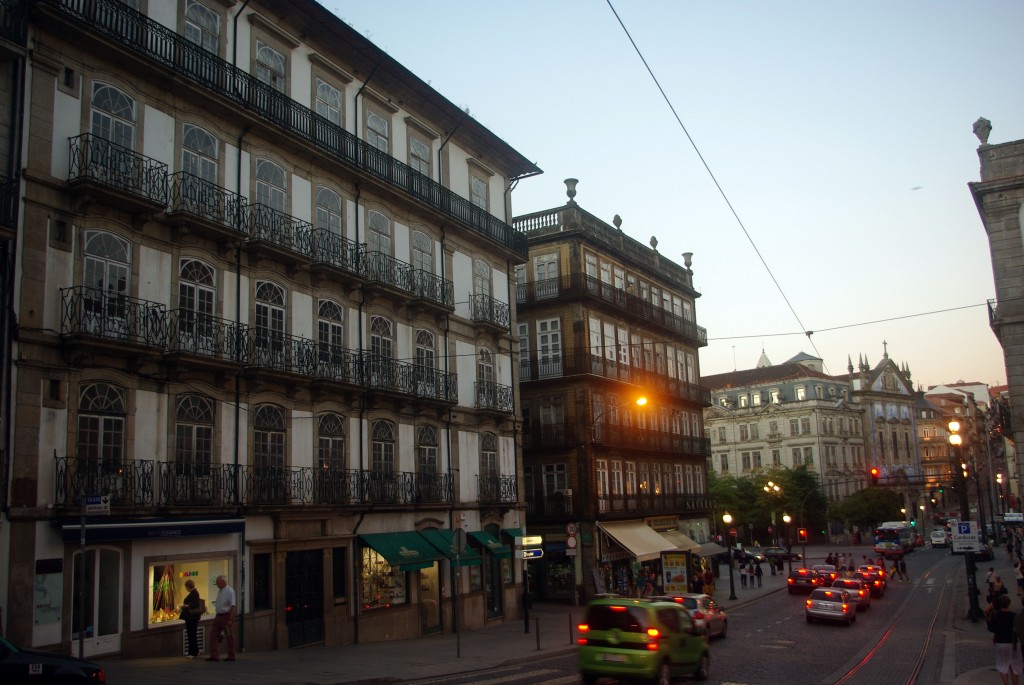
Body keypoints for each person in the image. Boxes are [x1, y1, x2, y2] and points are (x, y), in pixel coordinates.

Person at [988, 594, 1022, 685]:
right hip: (1013, 643)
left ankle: (1006, 683)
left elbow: (991, 628)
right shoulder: (1014, 616)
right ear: (1009, 604)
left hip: (1001, 642)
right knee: (1014, 666)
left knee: (1002, 664)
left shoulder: (996, 615)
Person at [208, 575, 237, 662]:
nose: (216, 584)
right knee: (213, 634)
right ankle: (214, 655)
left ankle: (231, 655)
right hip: (218, 616)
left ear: (223, 582)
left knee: (229, 635)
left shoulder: (230, 591)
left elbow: (233, 606)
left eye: (217, 582)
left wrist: (230, 619)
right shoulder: (220, 591)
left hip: (226, 616)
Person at [180, 579, 202, 658]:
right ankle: (195, 650)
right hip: (192, 617)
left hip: (192, 618)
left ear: (188, 586)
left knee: (191, 634)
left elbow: (195, 604)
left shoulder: (194, 593)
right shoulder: (194, 593)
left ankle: (192, 653)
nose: (186, 589)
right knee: (192, 634)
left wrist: (186, 606)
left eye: (186, 587)